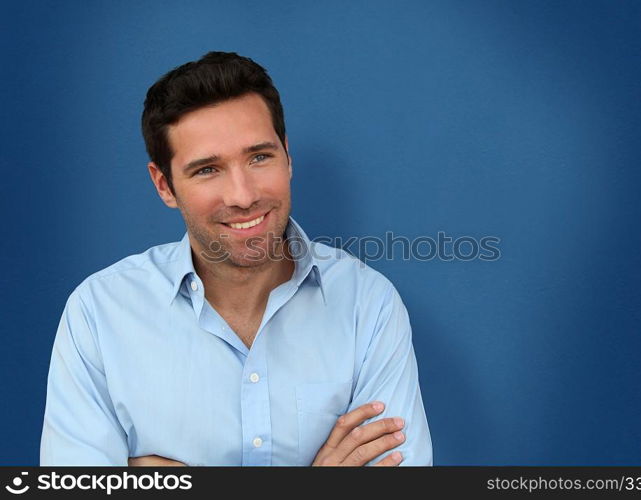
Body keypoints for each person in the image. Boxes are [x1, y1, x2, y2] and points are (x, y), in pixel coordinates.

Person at [39, 51, 432, 466]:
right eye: (208, 169)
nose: (243, 196)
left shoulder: (367, 304)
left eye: (259, 157)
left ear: (287, 156)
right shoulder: (99, 313)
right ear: (164, 185)